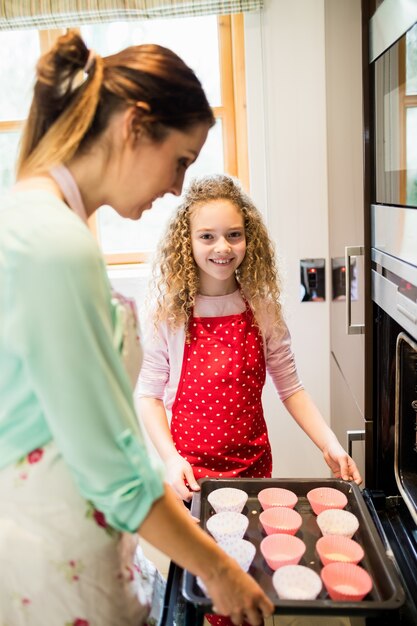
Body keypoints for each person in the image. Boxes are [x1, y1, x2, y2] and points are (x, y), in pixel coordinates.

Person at [0, 31, 274, 626]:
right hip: (54, 558)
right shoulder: (52, 243)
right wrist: (220, 568)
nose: (178, 187)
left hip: (74, 537)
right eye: (180, 160)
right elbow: (113, 468)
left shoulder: (39, 221)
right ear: (135, 126)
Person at [136, 173, 363, 501]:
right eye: (207, 236)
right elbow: (150, 396)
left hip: (253, 472)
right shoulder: (169, 314)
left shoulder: (262, 310)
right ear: (186, 241)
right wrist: (171, 460)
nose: (223, 247)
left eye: (233, 235)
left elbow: (292, 389)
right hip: (189, 475)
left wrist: (330, 444)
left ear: (249, 238)